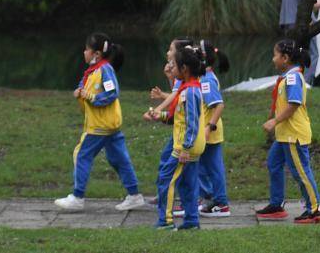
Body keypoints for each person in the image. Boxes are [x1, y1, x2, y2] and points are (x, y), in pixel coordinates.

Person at [55, 33, 145, 212]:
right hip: (109, 126)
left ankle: (77, 197)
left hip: (100, 126)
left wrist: (92, 97)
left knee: (81, 155)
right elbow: (84, 86)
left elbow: (112, 93)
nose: (84, 52)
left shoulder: (105, 70)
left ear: (96, 54)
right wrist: (79, 91)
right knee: (119, 159)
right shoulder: (93, 71)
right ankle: (134, 195)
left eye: (87, 49)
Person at [255, 39, 320, 224]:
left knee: (301, 171)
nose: (273, 59)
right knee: (273, 163)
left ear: (285, 58)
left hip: (293, 134)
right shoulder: (288, 77)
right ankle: (276, 205)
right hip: (284, 135)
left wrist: (274, 121)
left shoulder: (293, 78)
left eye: (275, 55)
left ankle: (315, 209)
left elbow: (293, 104)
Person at [146, 46, 206, 230]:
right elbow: (178, 117)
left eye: (175, 66)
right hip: (189, 145)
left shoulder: (190, 92)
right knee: (188, 184)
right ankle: (191, 221)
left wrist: (185, 148)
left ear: (185, 69)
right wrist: (160, 116)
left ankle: (165, 221)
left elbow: (192, 123)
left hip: (184, 147)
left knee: (166, 179)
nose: (172, 69)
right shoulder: (188, 89)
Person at [196, 40, 231, 218]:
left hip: (209, 132)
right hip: (205, 131)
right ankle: (209, 198)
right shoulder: (204, 78)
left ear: (202, 58)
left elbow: (218, 105)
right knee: (203, 167)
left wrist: (209, 127)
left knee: (214, 168)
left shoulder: (207, 81)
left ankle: (221, 203)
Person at [279, 0, 318, 83]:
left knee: (291, 54)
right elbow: (305, 0)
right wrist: (312, 19)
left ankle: (290, 80)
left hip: (286, 21)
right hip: (300, 21)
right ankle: (306, 82)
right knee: (312, 53)